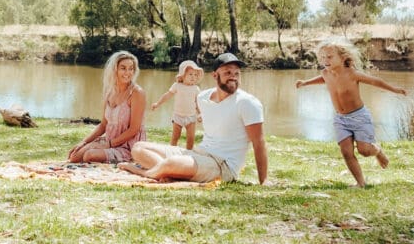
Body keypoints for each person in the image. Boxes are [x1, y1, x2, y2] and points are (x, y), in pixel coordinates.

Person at [123, 53, 268, 185]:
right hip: (198, 154)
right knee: (138, 148)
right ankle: (167, 171)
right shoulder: (203, 97)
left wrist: (264, 181)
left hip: (222, 165)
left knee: (173, 162)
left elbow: (259, 142)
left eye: (237, 73)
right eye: (228, 72)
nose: (233, 77)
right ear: (215, 75)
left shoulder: (247, 103)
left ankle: (147, 172)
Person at [295, 37, 408, 187]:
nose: (325, 60)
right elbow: (323, 78)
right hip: (340, 119)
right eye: (322, 57)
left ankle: (378, 151)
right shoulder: (325, 73)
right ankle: (360, 183)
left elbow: (375, 81)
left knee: (364, 150)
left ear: (342, 58)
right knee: (346, 152)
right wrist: (305, 83)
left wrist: (395, 90)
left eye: (329, 57)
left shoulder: (352, 74)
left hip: (359, 117)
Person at [67, 50, 147, 164]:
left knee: (89, 156)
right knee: (74, 156)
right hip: (109, 141)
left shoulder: (137, 93)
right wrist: (84, 142)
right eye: (123, 68)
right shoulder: (109, 92)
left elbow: (134, 129)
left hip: (129, 146)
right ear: (115, 70)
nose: (128, 72)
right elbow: (103, 125)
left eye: (131, 68)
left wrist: (108, 145)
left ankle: (119, 156)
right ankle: (99, 150)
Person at [150, 59, 203, 148]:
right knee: (175, 136)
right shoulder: (177, 86)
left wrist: (200, 113)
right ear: (182, 75)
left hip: (191, 117)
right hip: (178, 116)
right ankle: (171, 151)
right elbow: (167, 95)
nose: (193, 77)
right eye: (190, 74)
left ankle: (189, 154)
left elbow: (197, 103)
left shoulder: (196, 89)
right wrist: (158, 103)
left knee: (191, 138)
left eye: (195, 75)